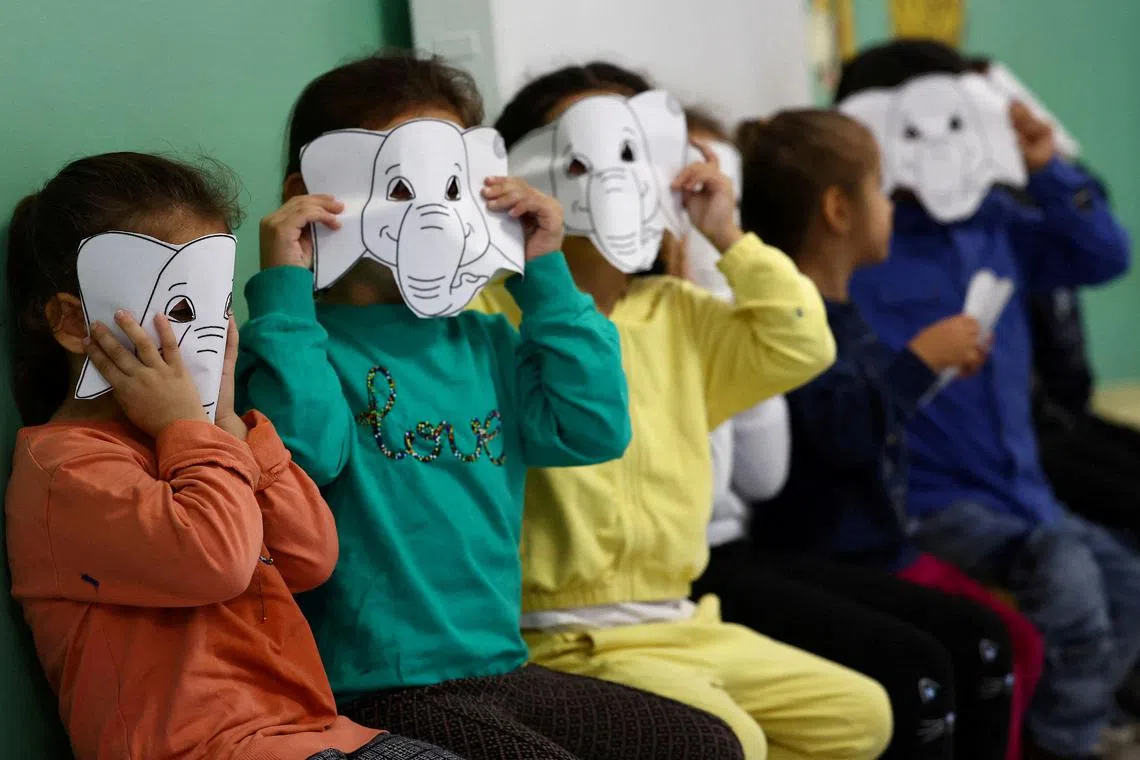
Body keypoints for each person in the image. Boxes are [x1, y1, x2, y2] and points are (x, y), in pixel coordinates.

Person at [237, 52, 745, 760]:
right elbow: (305, 457)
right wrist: (286, 292)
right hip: (372, 685)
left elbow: (592, 427)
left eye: (454, 184)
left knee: (704, 745)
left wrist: (544, 270)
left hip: (499, 664)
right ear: (316, 192)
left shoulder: (483, 337)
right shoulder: (296, 343)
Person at [478, 61, 894, 760]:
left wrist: (726, 235)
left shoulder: (678, 316)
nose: (615, 179)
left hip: (681, 618)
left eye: (636, 152)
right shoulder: (489, 315)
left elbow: (800, 341)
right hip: (559, 633)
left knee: (859, 715)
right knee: (734, 742)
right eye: (581, 157)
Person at [3, 152, 464, 760]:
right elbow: (215, 559)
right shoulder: (65, 471)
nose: (207, 333)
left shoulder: (201, 439)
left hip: (314, 736)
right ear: (71, 322)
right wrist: (186, 427)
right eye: (182, 308)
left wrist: (223, 423)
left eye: (217, 305)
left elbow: (310, 556)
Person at [680, 107, 1037, 760]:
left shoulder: (841, 313)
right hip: (832, 551)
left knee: (1009, 642)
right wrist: (919, 363)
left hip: (876, 545)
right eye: (880, 187)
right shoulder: (792, 320)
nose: (893, 205)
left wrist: (929, 372)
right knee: (989, 647)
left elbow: (860, 411)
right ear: (839, 209)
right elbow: (836, 430)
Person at [837, 40, 1140, 760]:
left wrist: (1045, 164)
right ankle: (1059, 744)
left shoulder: (995, 226)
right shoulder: (866, 244)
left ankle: (1055, 729)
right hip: (932, 501)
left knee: (1127, 586)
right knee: (1071, 584)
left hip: (1021, 489)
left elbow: (1104, 254)